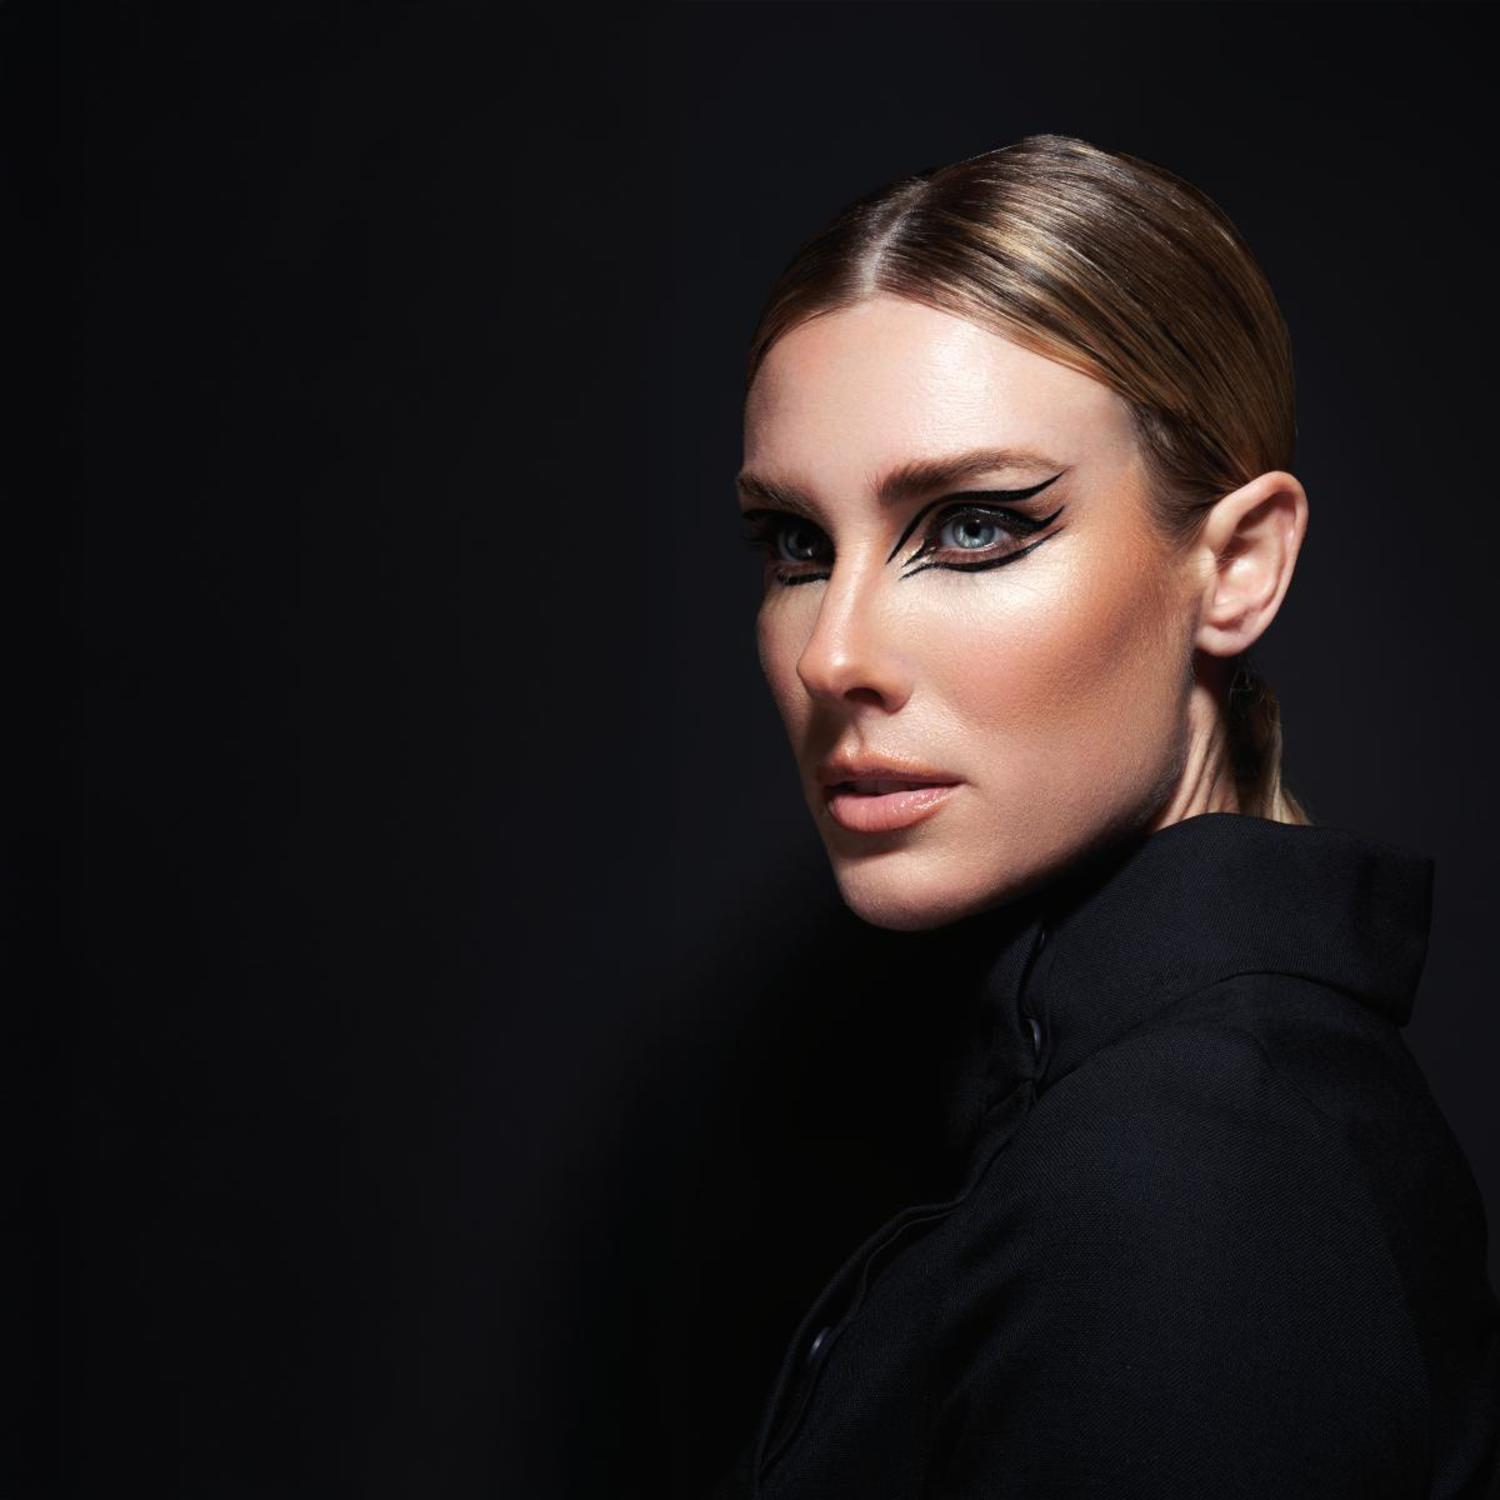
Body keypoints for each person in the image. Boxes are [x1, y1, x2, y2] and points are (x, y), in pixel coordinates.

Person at [709, 134, 1500, 1498]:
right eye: (798, 545)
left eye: (971, 526)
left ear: (1237, 566)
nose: (832, 656)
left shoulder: (1198, 1173)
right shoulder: (1156, 1115)